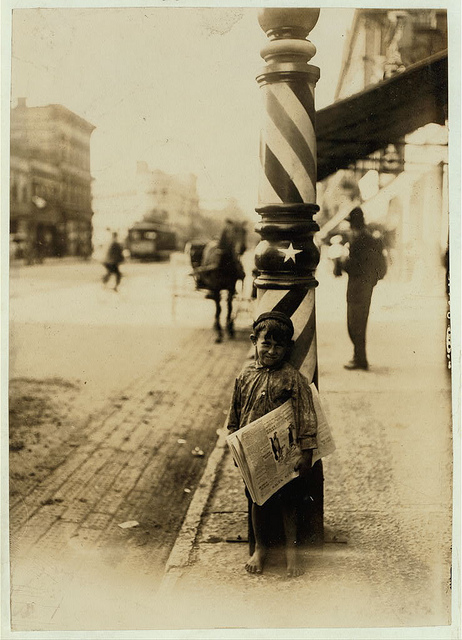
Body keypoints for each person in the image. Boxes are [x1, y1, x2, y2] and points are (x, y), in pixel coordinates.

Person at [226, 311, 318, 577]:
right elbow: (234, 414)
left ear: (288, 347)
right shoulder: (244, 377)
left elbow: (306, 415)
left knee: (289, 501)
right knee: (258, 500)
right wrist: (235, 446)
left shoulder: (292, 379)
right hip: (254, 455)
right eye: (266, 343)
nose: (272, 351)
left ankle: (292, 553)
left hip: (285, 453)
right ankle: (261, 549)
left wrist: (306, 450)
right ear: (255, 341)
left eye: (279, 346)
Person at [337, 207, 384, 370]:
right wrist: (373, 280)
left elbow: (354, 265)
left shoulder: (359, 241)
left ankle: (360, 359)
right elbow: (380, 265)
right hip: (365, 286)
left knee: (355, 323)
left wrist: (341, 261)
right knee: (358, 322)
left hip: (358, 287)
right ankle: (359, 357)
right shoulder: (370, 238)